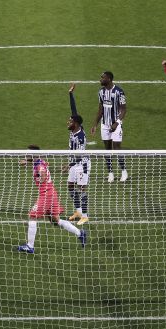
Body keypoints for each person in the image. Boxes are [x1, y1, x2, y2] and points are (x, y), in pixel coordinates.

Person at [17, 145, 87, 254]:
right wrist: (27, 162)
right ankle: (80, 233)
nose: (26, 155)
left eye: (28, 153)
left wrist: (40, 176)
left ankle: (30, 246)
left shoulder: (39, 166)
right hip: (52, 193)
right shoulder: (39, 161)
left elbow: (43, 175)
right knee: (56, 220)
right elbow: (39, 164)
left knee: (32, 216)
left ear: (34, 155)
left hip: (46, 195)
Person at [90, 71, 128, 183]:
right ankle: (110, 173)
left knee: (117, 148)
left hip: (116, 124)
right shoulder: (101, 92)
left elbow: (124, 109)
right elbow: (100, 109)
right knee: (107, 149)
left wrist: (117, 122)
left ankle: (124, 172)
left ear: (109, 79)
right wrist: (95, 124)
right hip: (104, 124)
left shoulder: (119, 92)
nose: (100, 79)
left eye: (102, 78)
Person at [64, 84, 91, 226]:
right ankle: (78, 211)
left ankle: (85, 216)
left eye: (70, 121)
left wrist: (69, 164)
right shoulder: (75, 127)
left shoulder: (80, 137)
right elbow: (74, 110)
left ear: (76, 124)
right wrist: (70, 94)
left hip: (82, 165)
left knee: (82, 189)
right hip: (74, 164)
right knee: (70, 185)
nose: (68, 122)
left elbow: (80, 156)